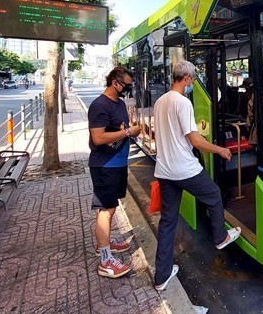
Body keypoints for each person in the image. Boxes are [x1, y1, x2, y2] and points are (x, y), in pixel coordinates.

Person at [153, 60, 240, 291]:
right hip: (185, 168)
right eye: (193, 78)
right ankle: (220, 237)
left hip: (164, 170)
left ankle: (161, 277)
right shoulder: (182, 103)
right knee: (213, 194)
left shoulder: (160, 101)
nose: (193, 82)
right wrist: (221, 149)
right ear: (187, 79)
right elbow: (195, 140)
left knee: (167, 223)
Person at [88, 66, 141, 278]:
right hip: (105, 165)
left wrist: (127, 131)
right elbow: (98, 138)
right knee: (105, 211)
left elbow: (118, 130)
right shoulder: (100, 105)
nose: (128, 88)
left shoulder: (118, 103)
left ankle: (104, 245)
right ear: (115, 82)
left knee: (109, 208)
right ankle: (105, 262)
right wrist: (127, 132)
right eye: (126, 85)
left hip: (118, 163)